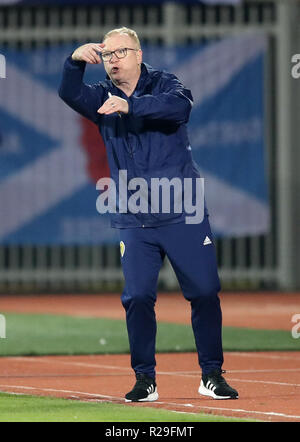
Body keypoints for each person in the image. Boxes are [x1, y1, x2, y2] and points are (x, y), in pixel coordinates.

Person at [58, 27, 238, 402]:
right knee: (137, 296)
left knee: (205, 291)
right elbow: (69, 92)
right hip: (135, 214)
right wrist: (74, 61)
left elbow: (181, 107)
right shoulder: (101, 97)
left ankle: (211, 375)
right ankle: (145, 379)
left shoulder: (163, 83)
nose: (112, 60)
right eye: (106, 55)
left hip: (182, 210)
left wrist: (132, 105)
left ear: (139, 54)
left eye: (120, 52)